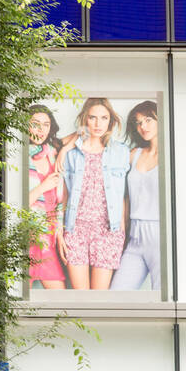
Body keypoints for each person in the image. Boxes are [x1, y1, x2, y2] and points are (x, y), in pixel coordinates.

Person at [55, 97, 130, 290]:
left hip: (108, 232)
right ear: (85, 120)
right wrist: (66, 148)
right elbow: (62, 196)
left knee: (99, 300)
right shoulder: (71, 153)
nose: (98, 124)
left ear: (111, 121)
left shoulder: (121, 152)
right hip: (76, 229)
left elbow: (123, 197)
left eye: (104, 118)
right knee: (80, 298)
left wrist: (121, 233)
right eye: (92, 118)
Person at [111, 100, 161, 292]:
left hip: (160, 234)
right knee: (117, 296)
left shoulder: (170, 154)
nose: (143, 127)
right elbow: (123, 197)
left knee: (162, 299)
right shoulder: (134, 154)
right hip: (134, 236)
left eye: (148, 120)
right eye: (138, 123)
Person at [27, 105, 66, 289]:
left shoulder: (52, 152)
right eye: (35, 124)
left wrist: (64, 151)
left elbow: (80, 134)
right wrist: (44, 186)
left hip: (48, 237)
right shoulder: (17, 155)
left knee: (60, 301)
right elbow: (17, 205)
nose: (41, 130)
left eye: (46, 124)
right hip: (27, 237)